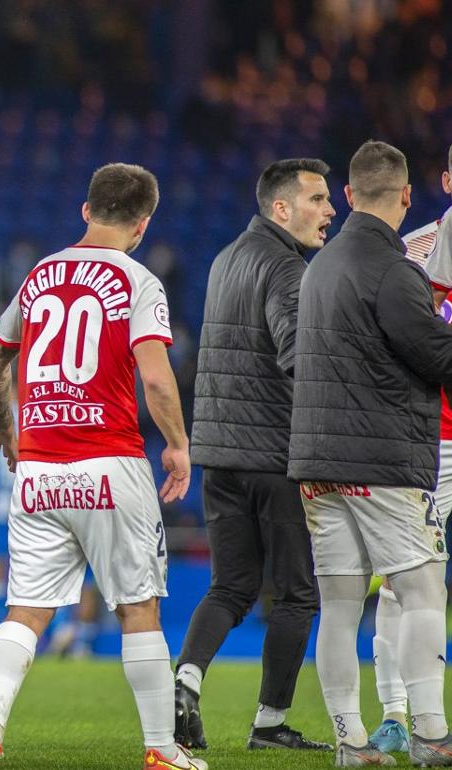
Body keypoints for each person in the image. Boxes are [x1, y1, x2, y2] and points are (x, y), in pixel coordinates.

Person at [0, 163, 206, 770]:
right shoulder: (139, 280)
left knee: (25, 611)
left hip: (40, 471)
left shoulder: (39, 275)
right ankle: (160, 749)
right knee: (137, 608)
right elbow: (154, 377)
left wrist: (6, 429)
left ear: (85, 210)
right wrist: (178, 445)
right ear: (143, 223)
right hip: (110, 464)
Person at [289, 140, 452, 767]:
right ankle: (434, 734)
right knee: (422, 590)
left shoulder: (319, 268)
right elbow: (436, 356)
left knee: (338, 603)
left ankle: (350, 742)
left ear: (350, 195)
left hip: (318, 464)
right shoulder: (395, 272)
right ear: (408, 196)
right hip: (381, 462)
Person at [174, 159, 336, 752]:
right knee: (297, 592)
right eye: (318, 199)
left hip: (218, 453)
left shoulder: (226, 259)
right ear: (281, 209)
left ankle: (187, 675)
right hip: (273, 455)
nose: (330, 210)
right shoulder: (289, 269)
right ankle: (270, 723)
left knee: (231, 587)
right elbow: (298, 356)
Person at [372, 143, 452, 754]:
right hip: (435, 441)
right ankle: (397, 714)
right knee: (407, 578)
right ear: (445, 180)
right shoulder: (415, 251)